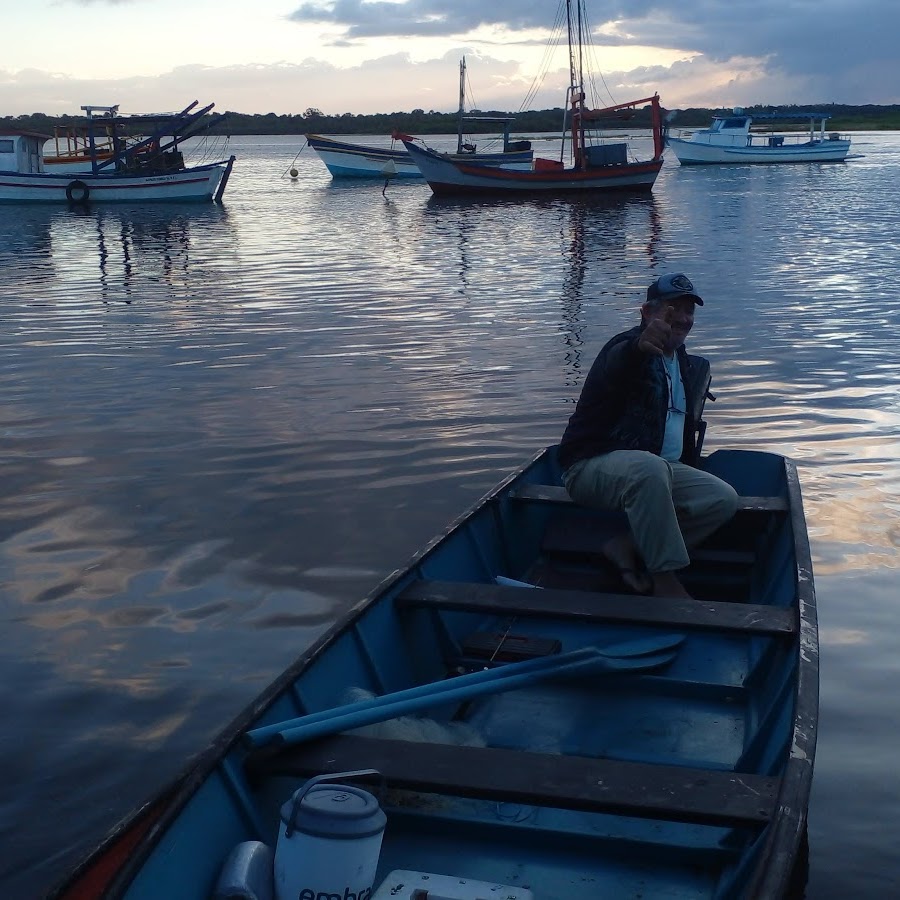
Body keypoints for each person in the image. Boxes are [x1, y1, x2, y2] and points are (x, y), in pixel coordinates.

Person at [557, 272, 738, 599]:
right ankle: (664, 577)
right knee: (649, 469)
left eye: (689, 311)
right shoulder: (627, 347)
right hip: (590, 466)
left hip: (656, 469)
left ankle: (626, 546)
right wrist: (640, 346)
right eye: (672, 309)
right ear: (646, 313)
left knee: (722, 499)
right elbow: (623, 361)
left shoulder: (680, 359)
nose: (682, 319)